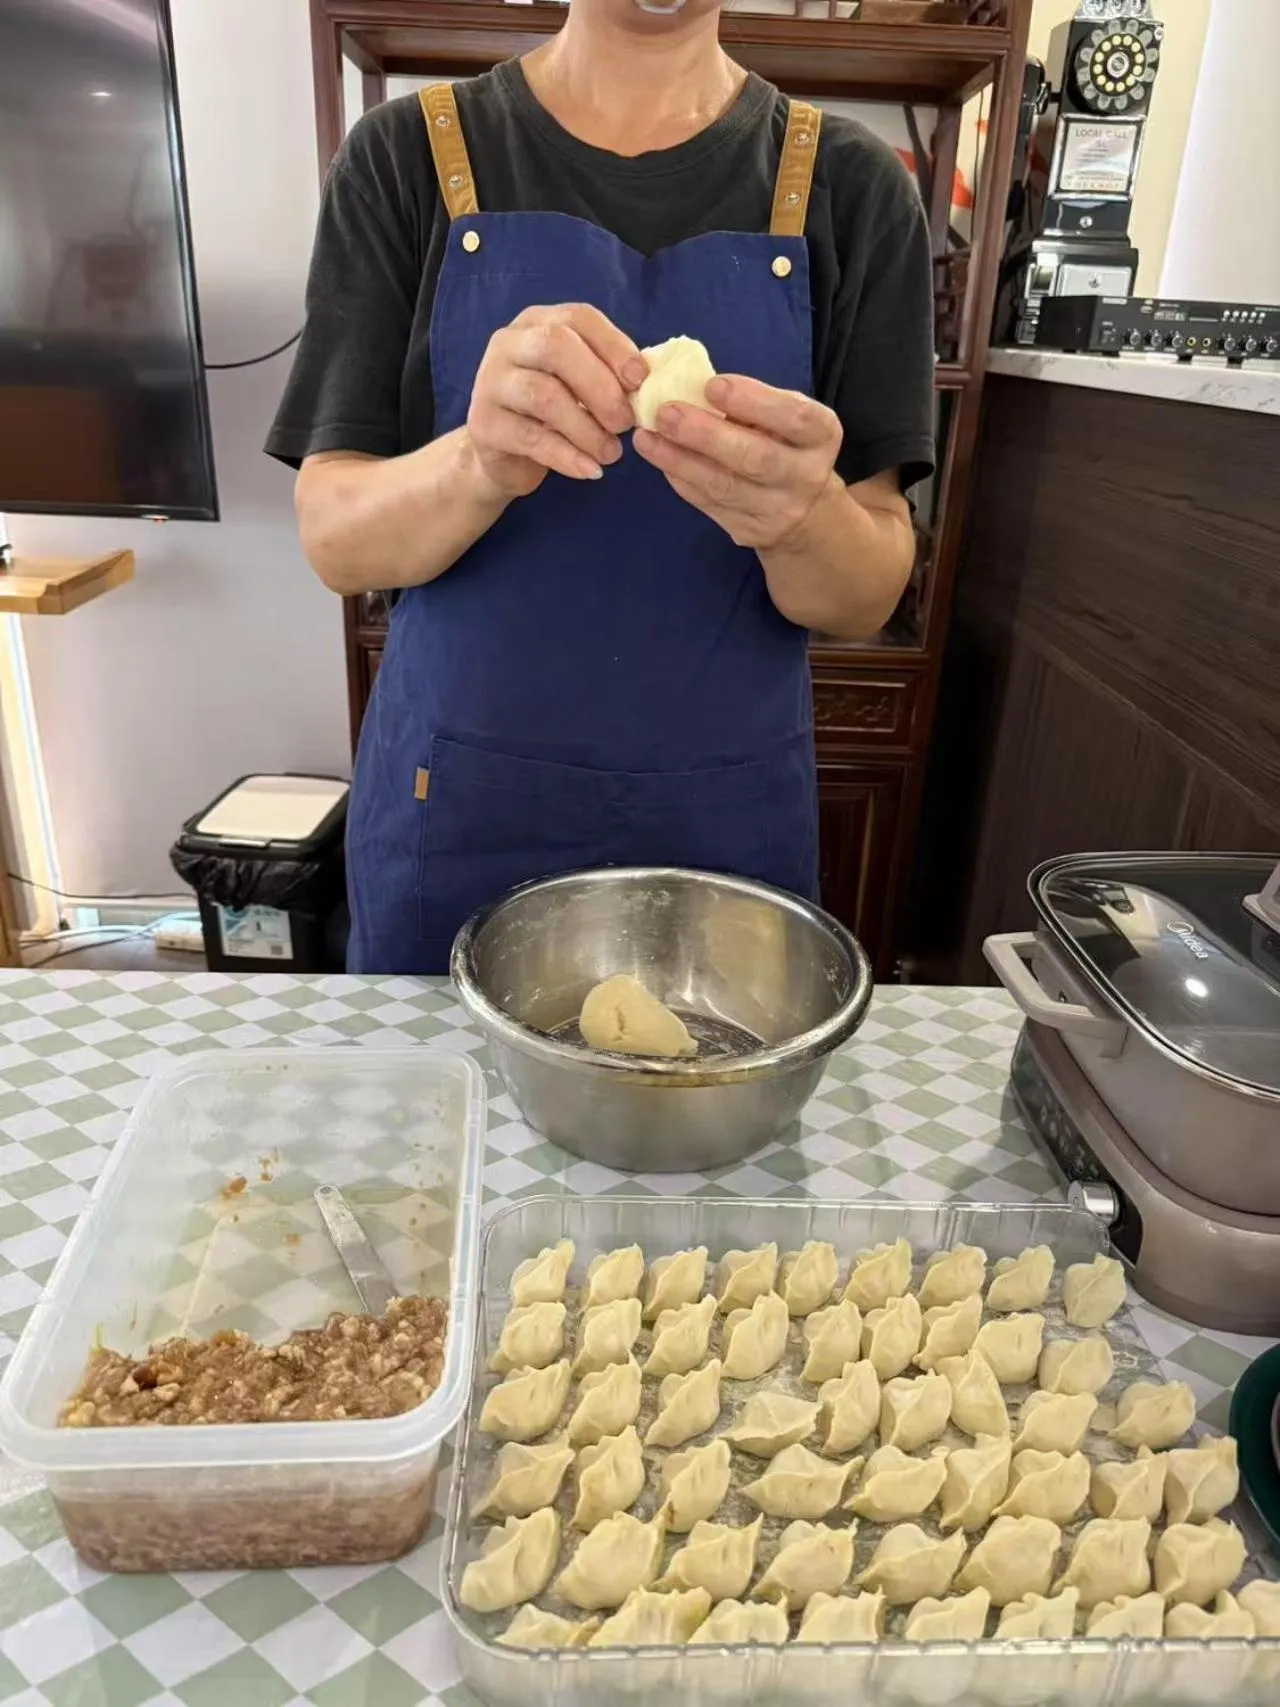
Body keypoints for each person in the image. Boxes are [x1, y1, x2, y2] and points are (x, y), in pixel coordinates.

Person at [267, 0, 936, 975]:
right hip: (457, 821)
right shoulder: (404, 158)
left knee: (708, 1124)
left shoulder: (852, 187)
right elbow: (336, 537)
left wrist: (804, 517)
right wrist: (480, 460)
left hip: (723, 837)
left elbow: (865, 591)